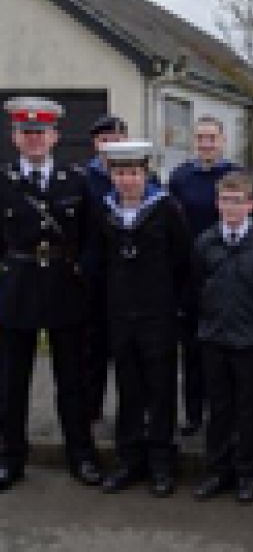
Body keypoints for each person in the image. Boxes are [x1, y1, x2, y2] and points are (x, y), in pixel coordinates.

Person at [0, 97, 101, 492]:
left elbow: (93, 238)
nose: (34, 140)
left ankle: (82, 456)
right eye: (27, 133)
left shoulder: (76, 180)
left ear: (55, 136)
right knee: (12, 382)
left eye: (41, 133)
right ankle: (11, 459)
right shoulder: (3, 180)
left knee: (72, 379)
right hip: (18, 285)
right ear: (14, 137)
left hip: (64, 285)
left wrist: (83, 275)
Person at [98, 140, 191, 497]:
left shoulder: (166, 210)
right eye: (120, 173)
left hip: (159, 316)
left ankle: (161, 464)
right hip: (121, 316)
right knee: (128, 389)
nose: (127, 180)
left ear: (145, 174)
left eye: (134, 173)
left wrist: (174, 307)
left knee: (161, 390)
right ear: (112, 176)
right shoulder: (105, 211)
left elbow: (182, 262)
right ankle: (128, 460)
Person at [192, 171, 253, 504]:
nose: (231, 208)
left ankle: (247, 473)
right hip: (215, 338)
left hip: (251, 341)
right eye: (225, 201)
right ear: (217, 204)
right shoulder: (205, 242)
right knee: (218, 409)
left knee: (249, 411)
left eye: (238, 201)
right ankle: (217, 471)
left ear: (251, 205)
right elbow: (197, 286)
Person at [169, 115, 240, 437]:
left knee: (225, 350)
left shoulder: (236, 176)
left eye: (212, 137)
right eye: (201, 138)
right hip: (190, 272)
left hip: (228, 271)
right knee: (193, 348)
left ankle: (222, 412)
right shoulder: (180, 177)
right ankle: (193, 412)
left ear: (223, 140)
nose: (206, 143)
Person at [82, 114, 129, 425]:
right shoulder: (82, 178)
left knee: (129, 349)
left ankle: (134, 410)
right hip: (94, 274)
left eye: (115, 139)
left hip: (130, 276)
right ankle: (91, 409)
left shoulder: (142, 176)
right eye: (103, 140)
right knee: (92, 347)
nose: (109, 145)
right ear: (95, 144)